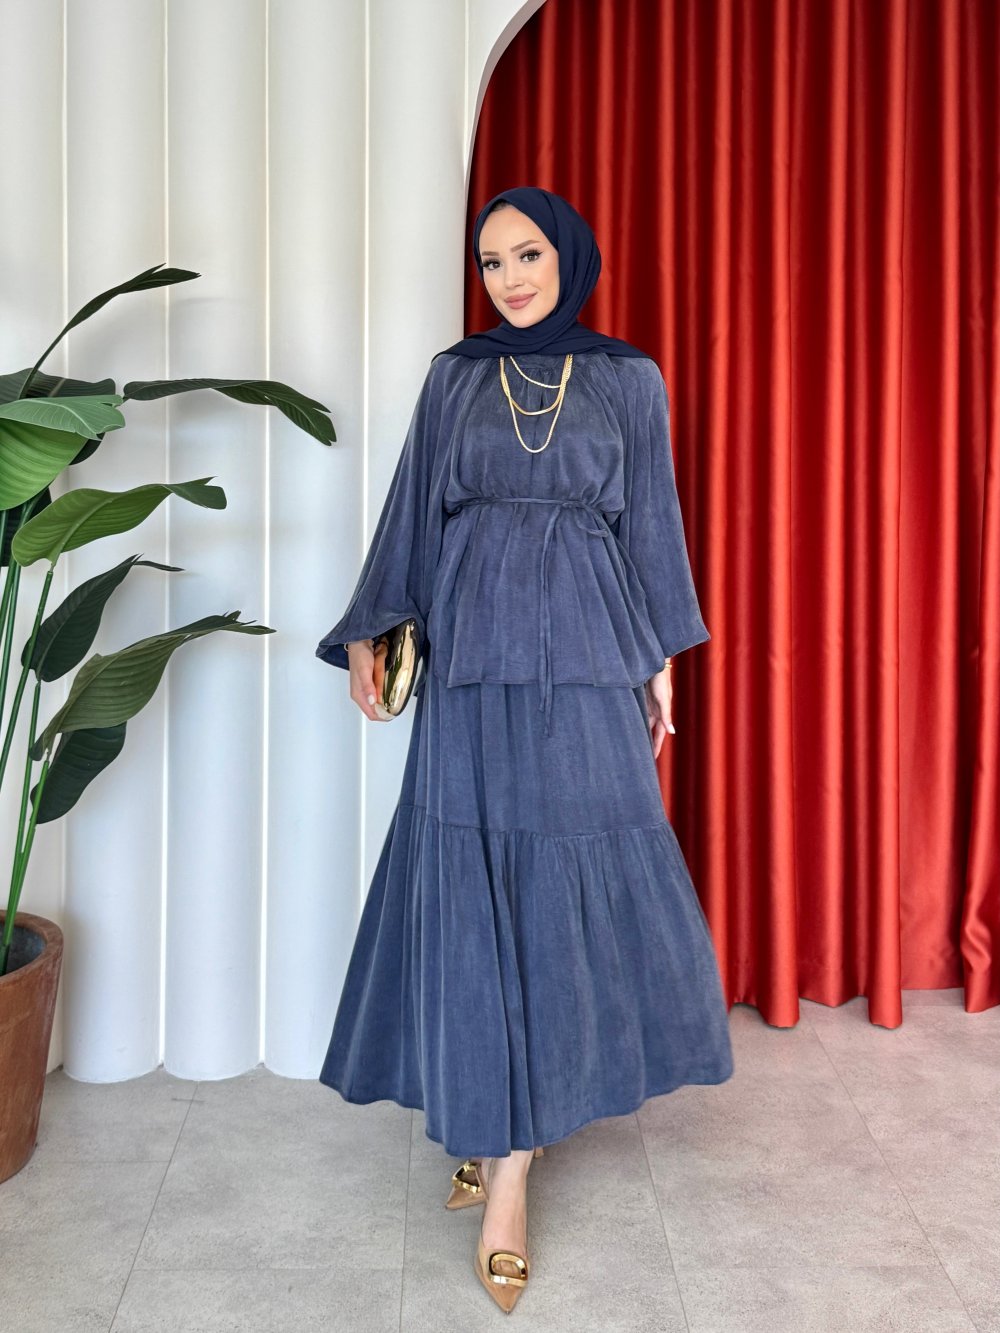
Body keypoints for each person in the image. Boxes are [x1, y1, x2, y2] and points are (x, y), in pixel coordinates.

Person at [315, 185, 733, 1313]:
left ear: (569, 257)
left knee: (570, 873)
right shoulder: (455, 377)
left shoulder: (628, 378)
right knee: (473, 876)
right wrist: (368, 632)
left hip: (589, 651)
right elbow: (412, 512)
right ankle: (494, 1132)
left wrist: (660, 660)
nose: (507, 277)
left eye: (527, 253)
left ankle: (511, 1158)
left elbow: (652, 522)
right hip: (468, 653)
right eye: (491, 260)